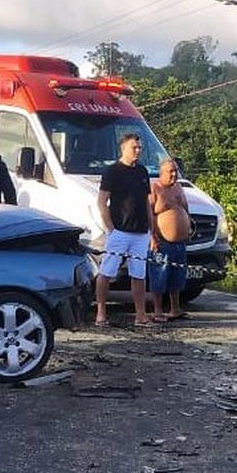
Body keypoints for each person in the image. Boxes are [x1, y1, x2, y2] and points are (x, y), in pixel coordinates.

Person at [94, 133, 154, 328]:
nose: (138, 151)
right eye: (134, 147)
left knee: (139, 274)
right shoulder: (112, 171)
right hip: (119, 230)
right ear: (124, 149)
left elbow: (146, 202)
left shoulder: (142, 171)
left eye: (139, 148)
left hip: (141, 232)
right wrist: (110, 228)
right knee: (107, 271)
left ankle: (140, 314)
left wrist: (152, 229)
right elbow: (102, 201)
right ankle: (101, 312)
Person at [148, 158, 191, 322]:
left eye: (175, 171)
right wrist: (152, 237)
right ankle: (158, 310)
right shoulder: (155, 188)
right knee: (159, 275)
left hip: (180, 242)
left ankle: (175, 308)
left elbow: (185, 209)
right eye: (170, 171)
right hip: (162, 242)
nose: (174, 174)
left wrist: (188, 227)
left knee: (178, 275)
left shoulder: (179, 187)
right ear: (161, 173)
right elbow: (149, 214)